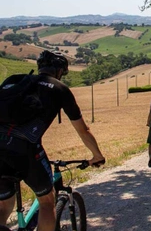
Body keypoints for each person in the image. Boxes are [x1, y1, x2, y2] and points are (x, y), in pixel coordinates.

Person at [0, 50, 105, 231]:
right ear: (59, 71)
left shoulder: (15, 80)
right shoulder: (59, 89)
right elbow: (83, 130)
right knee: (47, 201)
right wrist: (97, 155)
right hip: (25, 150)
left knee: (4, 204)